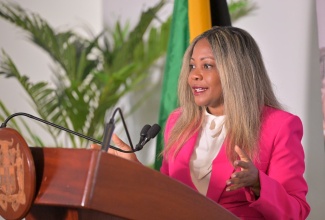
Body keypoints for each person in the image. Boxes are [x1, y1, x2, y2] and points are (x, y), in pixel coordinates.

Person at [95, 26, 310, 219]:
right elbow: (166, 197)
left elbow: (296, 211)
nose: (194, 76)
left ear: (235, 72)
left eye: (207, 66)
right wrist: (134, 170)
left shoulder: (279, 126)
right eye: (191, 66)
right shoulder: (178, 122)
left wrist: (257, 183)